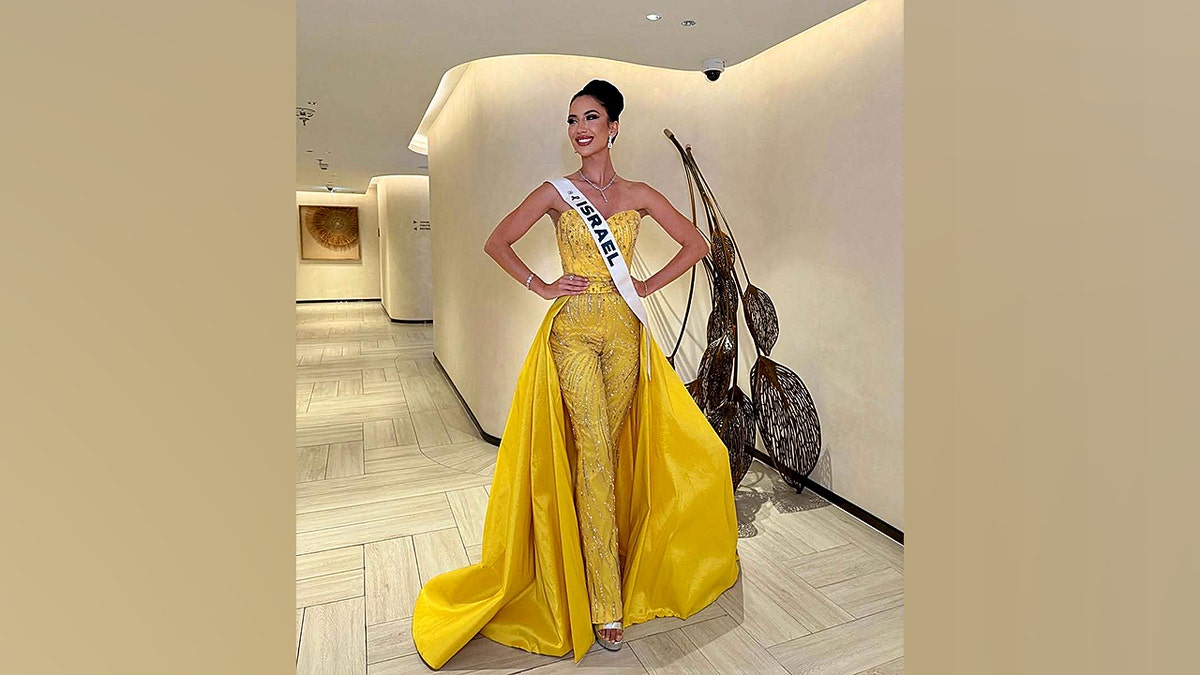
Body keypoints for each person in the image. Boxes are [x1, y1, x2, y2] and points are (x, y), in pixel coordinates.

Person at [410, 79, 739, 669]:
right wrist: (542, 285)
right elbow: (497, 241)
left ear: (614, 126)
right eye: (571, 120)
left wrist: (645, 284)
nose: (579, 128)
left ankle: (587, 563)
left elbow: (696, 244)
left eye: (591, 118)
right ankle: (604, 599)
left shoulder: (638, 193)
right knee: (590, 449)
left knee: (605, 453)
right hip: (572, 335)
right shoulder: (555, 194)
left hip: (625, 336)